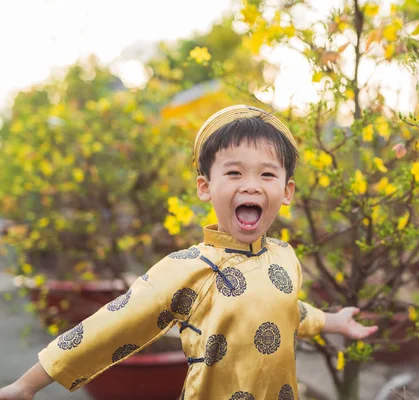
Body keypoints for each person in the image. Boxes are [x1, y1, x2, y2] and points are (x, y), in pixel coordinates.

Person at [0, 105, 378, 400]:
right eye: (233, 173)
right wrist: (29, 384)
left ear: (287, 191)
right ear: (205, 187)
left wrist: (333, 321)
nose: (251, 185)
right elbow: (112, 326)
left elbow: (285, 310)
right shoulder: (188, 268)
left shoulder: (285, 256)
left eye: (266, 175)